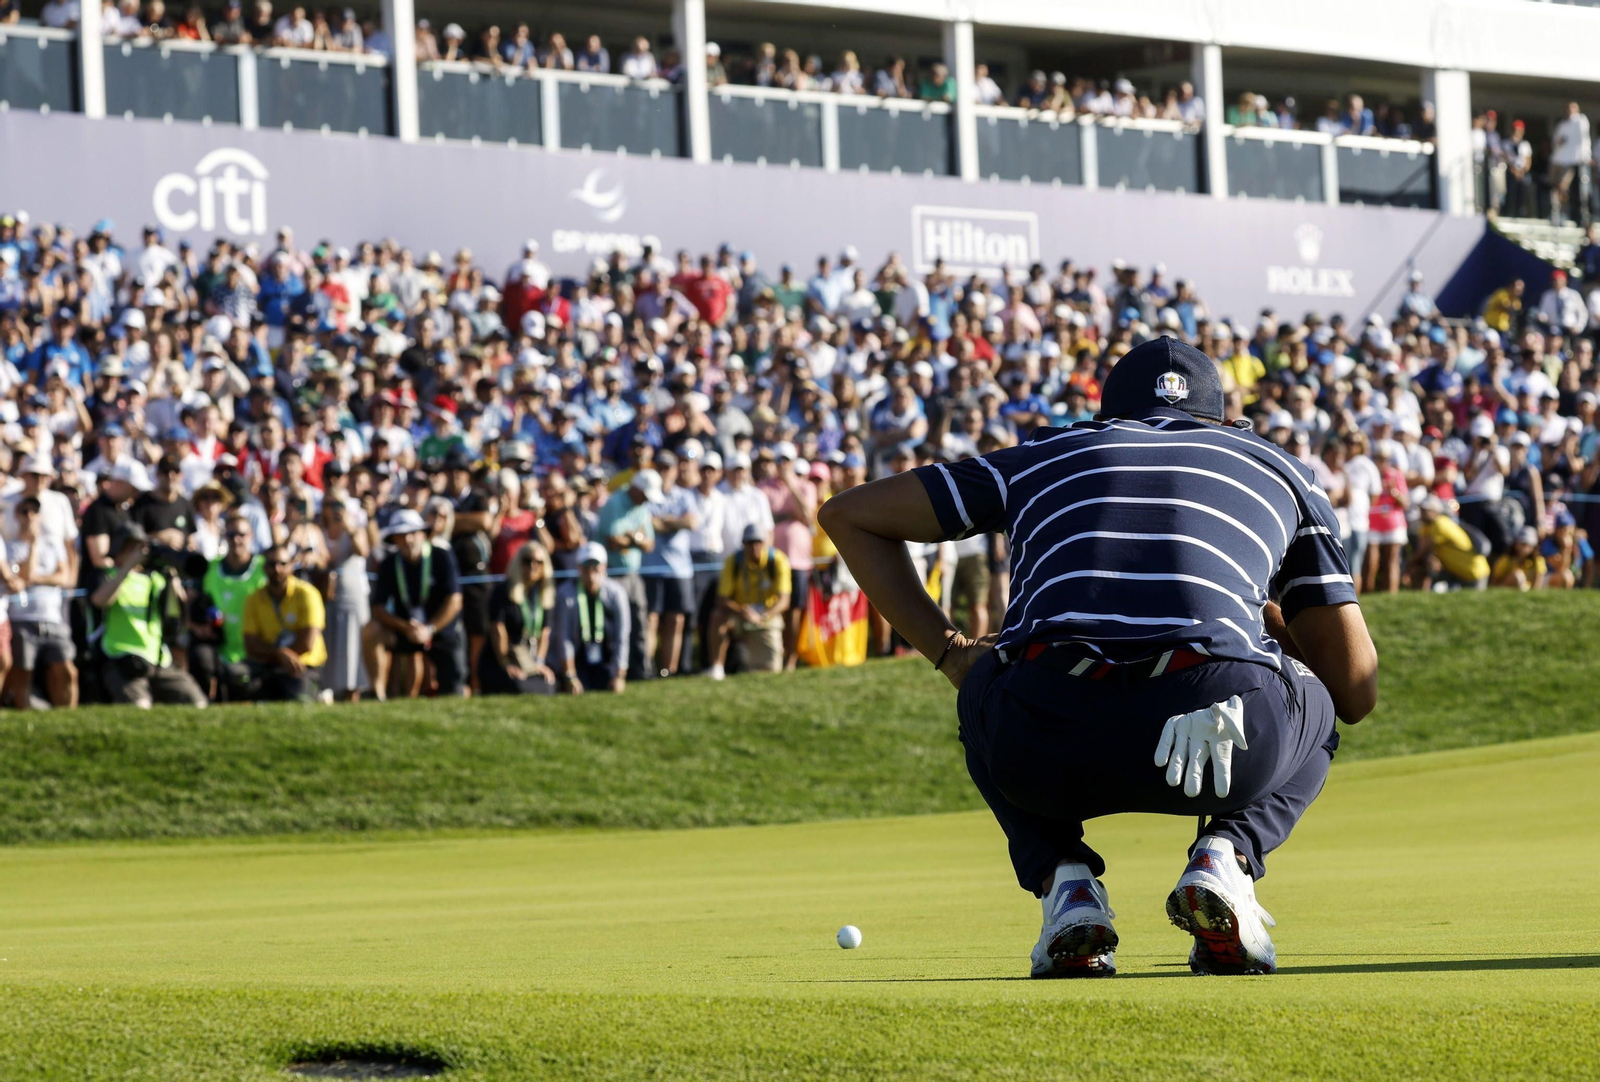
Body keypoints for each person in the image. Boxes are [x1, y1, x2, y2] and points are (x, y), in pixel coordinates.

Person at [820, 336, 1377, 979]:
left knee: (984, 683)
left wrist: (950, 654)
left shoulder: (1043, 455)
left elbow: (848, 515)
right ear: (1225, 421)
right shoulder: (1276, 465)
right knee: (1318, 696)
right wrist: (1262, 617)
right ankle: (1226, 856)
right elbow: (1356, 687)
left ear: (1104, 417)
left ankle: (1068, 889)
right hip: (1222, 724)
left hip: (1046, 731)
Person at [90, 523, 208, 709]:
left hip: (159, 659)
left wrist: (173, 578)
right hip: (122, 658)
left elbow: (179, 615)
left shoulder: (157, 579)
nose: (139, 553)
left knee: (197, 702)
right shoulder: (112, 576)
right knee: (139, 705)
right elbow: (99, 600)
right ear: (119, 550)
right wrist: (128, 567)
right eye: (131, 548)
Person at [365, 509, 465, 700]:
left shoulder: (442, 556)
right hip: (407, 632)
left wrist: (431, 628)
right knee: (371, 631)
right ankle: (377, 694)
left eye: (412, 533)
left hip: (441, 631)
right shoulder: (389, 563)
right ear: (394, 539)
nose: (408, 540)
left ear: (422, 534)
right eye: (401, 536)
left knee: (453, 690)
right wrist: (405, 627)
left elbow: (455, 600)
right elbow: (378, 608)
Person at [4, 496, 77, 709]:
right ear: (16, 516)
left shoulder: (54, 544)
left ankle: (69, 719)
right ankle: (26, 721)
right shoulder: (7, 547)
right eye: (24, 511)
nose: (29, 516)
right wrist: (33, 547)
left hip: (53, 617)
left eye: (34, 511)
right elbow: (23, 577)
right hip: (21, 618)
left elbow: (64, 578)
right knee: (22, 672)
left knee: (67, 670)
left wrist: (33, 579)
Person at [189, 511, 265, 701]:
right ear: (224, 537)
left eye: (242, 535)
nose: (236, 540)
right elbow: (189, 600)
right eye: (231, 535)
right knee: (200, 658)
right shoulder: (211, 568)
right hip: (218, 643)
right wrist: (195, 626)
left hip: (255, 645)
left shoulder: (265, 568)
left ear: (251, 537)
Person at [241, 541, 327, 701]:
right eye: (272, 564)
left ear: (292, 566)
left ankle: (318, 694)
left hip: (302, 666)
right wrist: (280, 654)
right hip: (267, 665)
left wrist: (280, 655)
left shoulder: (307, 594)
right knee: (237, 680)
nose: (277, 569)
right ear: (264, 567)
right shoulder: (254, 598)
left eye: (283, 563)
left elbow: (306, 644)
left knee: (299, 698)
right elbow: (250, 645)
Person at [705, 523, 792, 680]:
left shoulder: (778, 560)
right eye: (750, 542)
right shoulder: (733, 562)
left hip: (768, 616)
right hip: (740, 615)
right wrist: (742, 612)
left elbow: (784, 601)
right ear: (743, 544)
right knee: (717, 616)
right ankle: (717, 667)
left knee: (772, 670)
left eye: (758, 542)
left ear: (765, 543)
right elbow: (722, 599)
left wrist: (764, 615)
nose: (755, 547)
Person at [480, 539, 557, 696]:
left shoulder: (543, 594)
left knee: (550, 685)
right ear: (518, 562)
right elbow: (497, 631)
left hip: (529, 657)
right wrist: (506, 664)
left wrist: (539, 663)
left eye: (538, 562)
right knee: (518, 686)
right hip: (501, 658)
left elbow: (545, 634)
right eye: (528, 561)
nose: (533, 565)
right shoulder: (502, 591)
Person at [552, 541, 630, 693]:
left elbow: (623, 634)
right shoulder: (565, 593)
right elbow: (563, 637)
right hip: (579, 657)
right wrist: (570, 677)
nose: (591, 571)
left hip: (607, 658)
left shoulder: (616, 593)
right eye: (586, 565)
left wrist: (619, 675)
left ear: (604, 567)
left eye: (596, 565)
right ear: (579, 568)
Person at [321, 495, 370, 701]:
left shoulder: (356, 529)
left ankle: (353, 693)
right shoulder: (318, 530)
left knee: (352, 645)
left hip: (352, 597)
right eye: (329, 505)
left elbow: (363, 551)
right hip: (327, 596)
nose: (334, 510)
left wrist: (349, 528)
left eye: (338, 505)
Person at [1490, 526, 1546, 591]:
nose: (1524, 548)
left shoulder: (1538, 561)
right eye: (1521, 544)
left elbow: (1538, 584)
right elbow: (1494, 583)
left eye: (1527, 545)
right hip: (1505, 589)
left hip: (1526, 591)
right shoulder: (1506, 559)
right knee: (1517, 575)